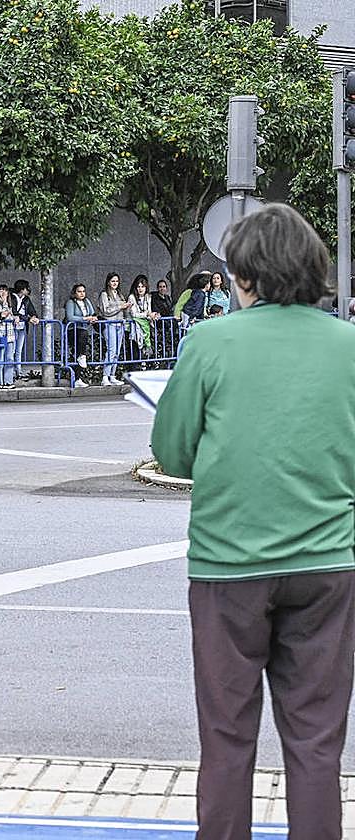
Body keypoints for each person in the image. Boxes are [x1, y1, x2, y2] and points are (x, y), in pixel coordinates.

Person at [151, 203, 355, 840]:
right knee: (317, 743)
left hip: (227, 564)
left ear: (244, 277)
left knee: (227, 738)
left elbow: (173, 452)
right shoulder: (348, 344)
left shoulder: (210, 341)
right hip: (328, 564)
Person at [98, 272, 130, 385]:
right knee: (111, 350)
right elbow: (106, 311)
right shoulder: (104, 295)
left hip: (119, 324)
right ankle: (105, 376)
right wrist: (120, 306)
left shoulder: (119, 294)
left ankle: (112, 375)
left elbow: (122, 310)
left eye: (116, 281)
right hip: (110, 324)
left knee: (117, 351)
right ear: (108, 282)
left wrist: (127, 307)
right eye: (113, 281)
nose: (115, 283)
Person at [64, 283, 96, 386]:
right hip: (73, 330)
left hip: (83, 330)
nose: (82, 293)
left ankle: (78, 379)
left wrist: (93, 318)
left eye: (83, 291)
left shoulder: (86, 301)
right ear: (74, 293)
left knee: (77, 353)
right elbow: (70, 317)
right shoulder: (70, 302)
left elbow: (92, 312)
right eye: (79, 291)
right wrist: (84, 318)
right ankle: (81, 357)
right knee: (78, 352)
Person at [10, 279, 39, 381]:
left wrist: (34, 317)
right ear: (22, 289)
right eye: (27, 288)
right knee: (11, 350)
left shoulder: (26, 299)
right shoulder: (11, 297)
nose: (28, 290)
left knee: (18, 350)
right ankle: (11, 372)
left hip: (22, 327)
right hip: (11, 327)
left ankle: (18, 371)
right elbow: (13, 312)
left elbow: (32, 310)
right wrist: (28, 318)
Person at [0, 283, 18, 388]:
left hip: (10, 334)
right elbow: (2, 314)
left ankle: (8, 381)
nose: (3, 293)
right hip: (0, 334)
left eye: (5, 291)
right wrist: (4, 305)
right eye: (1, 290)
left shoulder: (11, 304)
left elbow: (13, 315)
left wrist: (15, 317)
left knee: (10, 357)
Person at [126, 276, 157, 360]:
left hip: (145, 327)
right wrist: (147, 314)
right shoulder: (131, 297)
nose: (140, 289)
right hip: (133, 329)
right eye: (138, 286)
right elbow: (134, 314)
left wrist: (153, 315)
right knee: (134, 353)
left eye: (142, 286)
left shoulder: (148, 297)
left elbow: (149, 310)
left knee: (145, 353)